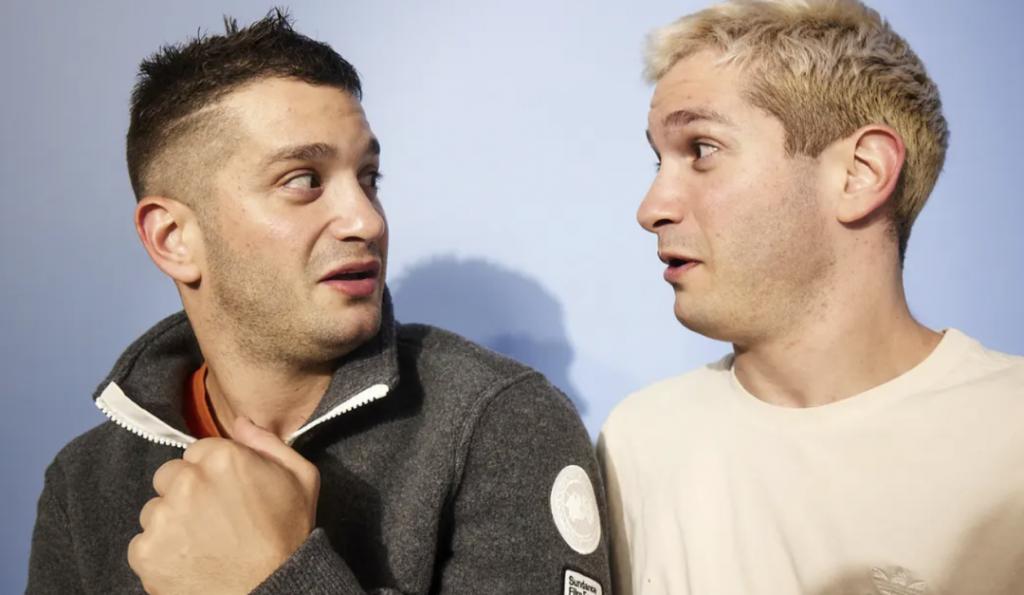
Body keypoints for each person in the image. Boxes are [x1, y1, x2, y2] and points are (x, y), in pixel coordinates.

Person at [27, 11, 609, 594]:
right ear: (173, 238)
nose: (366, 220)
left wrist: (270, 579)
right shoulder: (84, 485)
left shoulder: (499, 423)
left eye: (369, 178)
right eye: (304, 180)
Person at [598, 1, 1024, 593]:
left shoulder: (1011, 435)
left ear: (860, 173)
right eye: (658, 159)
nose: (652, 209)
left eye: (701, 149)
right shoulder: (639, 442)